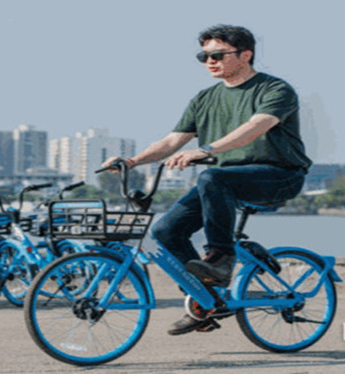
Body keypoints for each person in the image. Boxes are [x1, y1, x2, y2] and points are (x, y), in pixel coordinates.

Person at [102, 24, 311, 335]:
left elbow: (257, 126)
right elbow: (171, 141)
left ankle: (221, 258)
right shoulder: (205, 99)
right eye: (203, 56)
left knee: (212, 176)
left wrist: (206, 150)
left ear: (246, 55)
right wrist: (132, 161)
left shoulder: (274, 89)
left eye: (217, 54)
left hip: (279, 175)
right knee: (165, 231)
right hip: (226, 181)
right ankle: (207, 299)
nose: (209, 61)